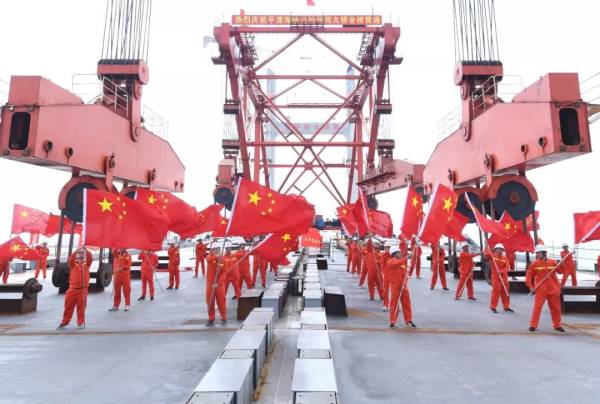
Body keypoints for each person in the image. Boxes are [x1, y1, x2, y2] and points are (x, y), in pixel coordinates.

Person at [526, 244, 564, 332]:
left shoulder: (553, 262)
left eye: (538, 253)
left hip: (554, 289)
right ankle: (533, 325)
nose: (537, 254)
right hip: (541, 290)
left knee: (556, 308)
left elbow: (560, 272)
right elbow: (528, 277)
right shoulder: (534, 264)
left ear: (544, 253)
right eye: (536, 253)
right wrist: (531, 287)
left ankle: (557, 325)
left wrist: (561, 265)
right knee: (537, 308)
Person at [57, 248, 91, 329]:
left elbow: (90, 258)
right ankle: (65, 321)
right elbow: (71, 259)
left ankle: (80, 322)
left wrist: (86, 250)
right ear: (76, 257)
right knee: (68, 307)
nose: (81, 257)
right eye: (79, 255)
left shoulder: (87, 265)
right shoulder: (73, 265)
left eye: (82, 255)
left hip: (83, 290)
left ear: (84, 257)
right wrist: (76, 251)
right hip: (72, 289)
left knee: (81, 307)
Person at [387, 245, 416, 328]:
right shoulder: (390, 262)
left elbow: (404, 274)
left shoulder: (401, 262)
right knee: (394, 305)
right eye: (399, 252)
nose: (400, 253)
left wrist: (405, 282)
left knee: (407, 304)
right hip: (395, 287)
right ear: (394, 253)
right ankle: (392, 321)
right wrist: (406, 257)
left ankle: (408, 319)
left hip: (403, 287)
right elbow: (397, 263)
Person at [487, 243, 513, 313]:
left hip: (504, 279)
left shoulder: (504, 258)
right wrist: (488, 247)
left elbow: (507, 267)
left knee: (506, 293)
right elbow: (486, 254)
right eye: (500, 249)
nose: (501, 250)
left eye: (502, 249)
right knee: (496, 293)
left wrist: (502, 271)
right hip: (496, 278)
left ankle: (506, 307)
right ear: (496, 249)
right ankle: (493, 307)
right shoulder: (492, 256)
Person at [206, 243, 227, 325]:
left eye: (217, 249)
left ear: (219, 249)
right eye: (214, 249)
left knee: (221, 301)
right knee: (210, 301)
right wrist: (216, 257)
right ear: (211, 250)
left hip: (219, 284)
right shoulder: (209, 256)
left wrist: (218, 283)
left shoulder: (222, 260)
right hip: (210, 283)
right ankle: (211, 318)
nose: (216, 250)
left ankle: (224, 317)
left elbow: (224, 272)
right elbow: (209, 260)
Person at [380, 241, 392, 311]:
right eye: (385, 247)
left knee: (395, 292)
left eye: (387, 247)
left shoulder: (393, 254)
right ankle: (385, 304)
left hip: (393, 276)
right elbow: (382, 262)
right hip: (386, 276)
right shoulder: (384, 255)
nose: (386, 249)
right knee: (386, 291)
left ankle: (395, 306)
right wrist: (386, 254)